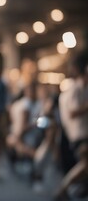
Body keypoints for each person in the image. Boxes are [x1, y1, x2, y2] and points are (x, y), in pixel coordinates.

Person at [55, 53, 88, 200]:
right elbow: (73, 112)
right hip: (80, 134)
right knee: (84, 165)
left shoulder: (71, 88)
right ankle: (63, 189)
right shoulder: (75, 89)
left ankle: (70, 189)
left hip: (76, 134)